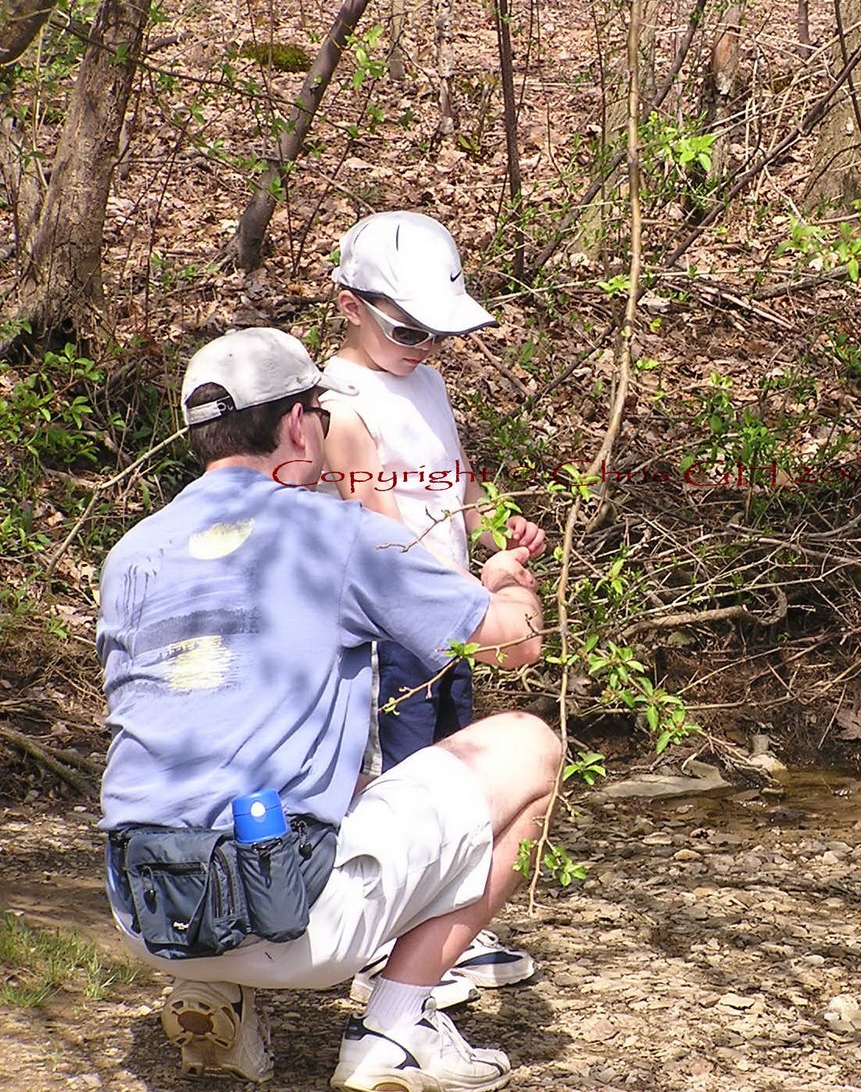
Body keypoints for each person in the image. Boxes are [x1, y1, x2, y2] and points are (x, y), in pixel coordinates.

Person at [97, 328, 560, 1091]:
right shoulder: (334, 532)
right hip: (294, 919)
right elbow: (511, 646)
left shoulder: (132, 552)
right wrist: (507, 578)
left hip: (145, 914)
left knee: (247, 750)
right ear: (294, 424)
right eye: (316, 408)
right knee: (527, 744)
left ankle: (219, 996)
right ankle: (395, 1031)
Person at [316, 210, 545, 1005]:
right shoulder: (340, 404)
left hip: (445, 615)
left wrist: (496, 536)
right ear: (351, 305)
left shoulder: (428, 382)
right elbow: (374, 533)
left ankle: (444, 929)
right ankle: (382, 944)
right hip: (391, 631)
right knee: (400, 777)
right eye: (411, 331)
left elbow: (456, 479)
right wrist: (475, 595)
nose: (427, 348)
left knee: (457, 769)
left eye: (439, 335)